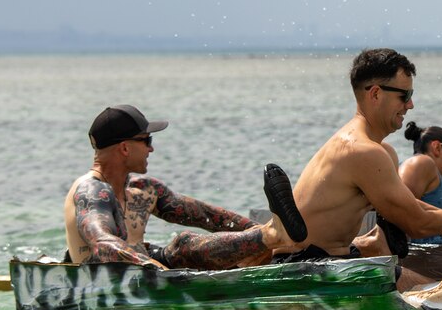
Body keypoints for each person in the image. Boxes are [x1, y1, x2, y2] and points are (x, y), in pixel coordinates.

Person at [276, 48, 442, 284]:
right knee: (437, 296)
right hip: (304, 265)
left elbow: (415, 207)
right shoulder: (363, 151)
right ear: (375, 94)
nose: (411, 105)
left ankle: (378, 243)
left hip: (332, 259)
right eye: (404, 96)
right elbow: (418, 224)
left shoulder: (377, 150)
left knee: (434, 289)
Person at [64, 104, 306, 269]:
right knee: (180, 250)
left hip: (146, 277)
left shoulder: (143, 190)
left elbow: (208, 217)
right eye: (147, 140)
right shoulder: (92, 191)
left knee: (183, 244)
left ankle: (274, 234)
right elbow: (102, 243)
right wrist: (156, 269)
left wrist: (253, 232)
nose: (151, 148)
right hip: (104, 288)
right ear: (125, 148)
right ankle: (273, 235)